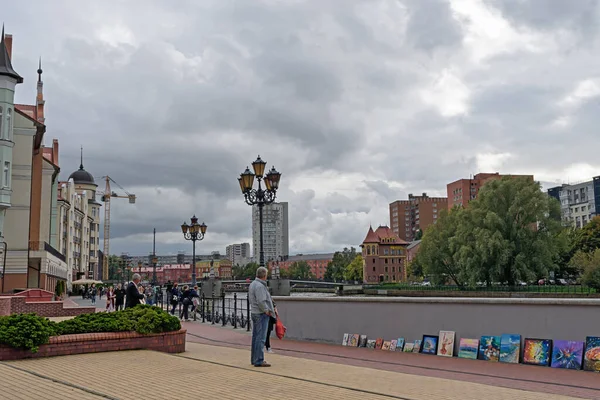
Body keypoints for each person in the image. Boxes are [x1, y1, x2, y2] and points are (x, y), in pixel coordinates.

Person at [248, 266, 275, 367]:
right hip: (261, 314)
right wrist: (267, 311)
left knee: (255, 337)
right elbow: (261, 301)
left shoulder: (253, 284)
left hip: (254, 312)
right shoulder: (260, 286)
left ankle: (254, 359)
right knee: (261, 338)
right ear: (264, 275)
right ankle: (259, 360)